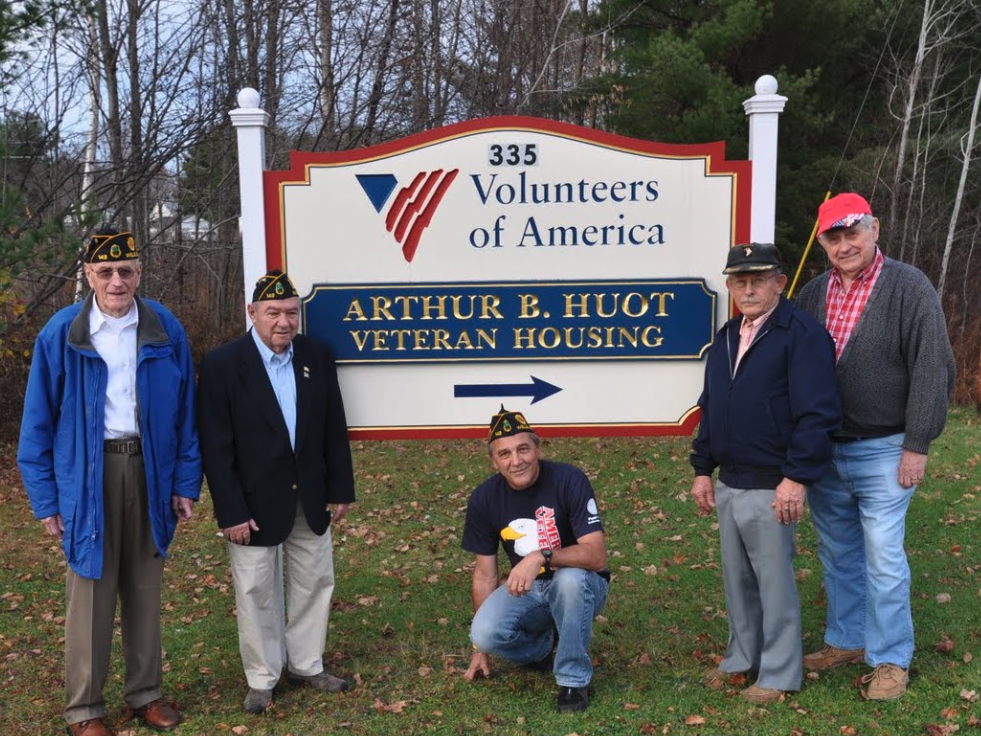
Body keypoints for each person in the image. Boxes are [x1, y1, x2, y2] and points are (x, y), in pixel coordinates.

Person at [18, 227, 201, 736]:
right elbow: (36, 424)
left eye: (126, 271)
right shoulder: (62, 334)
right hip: (88, 473)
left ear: (140, 272)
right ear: (89, 276)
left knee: (144, 587)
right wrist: (46, 499)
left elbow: (187, 414)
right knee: (92, 591)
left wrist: (185, 481)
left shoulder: (164, 328)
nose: (117, 281)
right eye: (106, 272)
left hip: (150, 467)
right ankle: (85, 709)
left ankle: (146, 693)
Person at [796, 193, 956, 700]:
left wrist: (918, 442)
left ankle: (890, 659)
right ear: (822, 242)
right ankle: (847, 640)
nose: (845, 245)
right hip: (825, 450)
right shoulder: (814, 293)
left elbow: (932, 366)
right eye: (833, 237)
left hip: (886, 448)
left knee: (883, 556)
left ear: (875, 229)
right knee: (839, 553)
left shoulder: (909, 287)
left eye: (853, 232)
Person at [197, 269, 356, 714]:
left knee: (315, 580)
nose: (283, 322)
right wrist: (229, 509)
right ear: (253, 314)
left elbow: (331, 428)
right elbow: (215, 445)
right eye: (273, 313)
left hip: (310, 494)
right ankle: (263, 677)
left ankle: (307, 663)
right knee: (255, 590)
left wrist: (340, 487)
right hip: (251, 501)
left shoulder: (316, 356)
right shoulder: (223, 364)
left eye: (290, 313)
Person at [690, 242, 842, 704]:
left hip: (774, 482)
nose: (749, 288)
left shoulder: (802, 334)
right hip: (730, 480)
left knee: (774, 582)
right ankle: (742, 658)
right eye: (740, 280)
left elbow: (818, 414)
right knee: (738, 581)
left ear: (779, 281)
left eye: (759, 279)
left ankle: (777, 673)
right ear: (730, 285)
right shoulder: (727, 335)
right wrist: (702, 469)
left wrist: (795, 477)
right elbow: (712, 406)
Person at [462, 407, 609, 713]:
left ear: (538, 449)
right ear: (494, 461)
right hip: (529, 590)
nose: (516, 461)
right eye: (505, 454)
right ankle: (544, 646)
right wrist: (479, 650)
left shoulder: (569, 479)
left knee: (568, 580)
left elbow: (596, 556)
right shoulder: (484, 498)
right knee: (484, 633)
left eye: (523, 449)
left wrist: (541, 556)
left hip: (582, 583)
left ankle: (572, 680)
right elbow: (485, 575)